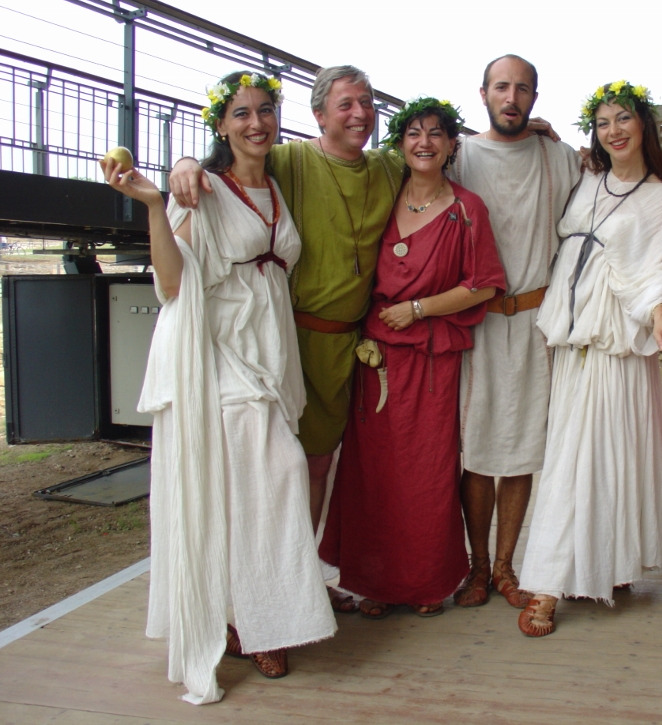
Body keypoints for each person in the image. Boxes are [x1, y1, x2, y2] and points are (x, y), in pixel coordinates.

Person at [103, 71, 335, 702]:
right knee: (280, 473)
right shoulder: (200, 189)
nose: (256, 123)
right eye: (241, 113)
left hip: (270, 351)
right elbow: (172, 285)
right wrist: (156, 205)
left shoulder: (276, 186)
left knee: (241, 489)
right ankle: (262, 624)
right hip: (221, 353)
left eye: (265, 110)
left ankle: (243, 615)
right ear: (222, 126)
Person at [169, 66, 403, 615]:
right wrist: (183, 163)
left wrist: (546, 136)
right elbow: (229, 160)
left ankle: (302, 579)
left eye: (367, 102)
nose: (360, 114)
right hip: (275, 337)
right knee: (266, 469)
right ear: (318, 115)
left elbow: (440, 147)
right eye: (345, 104)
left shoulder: (388, 166)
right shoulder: (290, 160)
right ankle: (248, 599)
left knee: (316, 467)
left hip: (341, 345)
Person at [317, 98, 505, 617]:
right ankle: (375, 584)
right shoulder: (382, 197)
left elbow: (484, 285)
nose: (425, 143)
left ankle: (427, 582)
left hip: (430, 357)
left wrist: (418, 309)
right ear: (399, 144)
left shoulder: (467, 208)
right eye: (414, 133)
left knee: (427, 470)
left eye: (436, 133)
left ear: (452, 145)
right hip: (375, 357)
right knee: (373, 473)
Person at [514, 81, 662, 637]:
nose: (614, 130)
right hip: (572, 341)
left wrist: (660, 315)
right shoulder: (587, 178)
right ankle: (585, 567)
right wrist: (543, 134)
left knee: (606, 457)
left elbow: (661, 267)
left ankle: (549, 584)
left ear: (644, 125)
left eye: (624, 118)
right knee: (573, 457)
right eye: (604, 121)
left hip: (618, 343)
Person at [449, 54, 582, 609]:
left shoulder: (558, 158)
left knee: (524, 449)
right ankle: (477, 566)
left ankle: (506, 566)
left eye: (522, 88)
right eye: (501, 87)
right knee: (477, 449)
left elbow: (612, 191)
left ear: (535, 98)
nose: (512, 97)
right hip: (474, 322)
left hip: (534, 322)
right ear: (482, 93)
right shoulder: (458, 156)